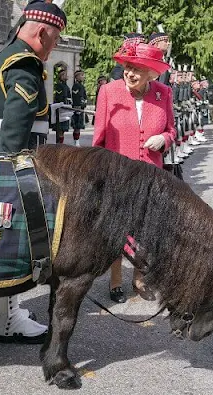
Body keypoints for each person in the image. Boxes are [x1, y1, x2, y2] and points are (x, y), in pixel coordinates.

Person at [0, 0, 67, 342]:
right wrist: (21, 174)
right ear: (41, 32)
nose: (53, 48)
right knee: (13, 241)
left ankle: (6, 316)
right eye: (54, 40)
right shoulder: (26, 63)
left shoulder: (6, 53)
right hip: (8, 157)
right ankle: (8, 321)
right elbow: (15, 127)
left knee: (1, 237)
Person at [93, 43, 176, 303]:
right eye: (127, 67)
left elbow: (172, 130)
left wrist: (163, 139)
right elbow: (98, 139)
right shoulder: (108, 92)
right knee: (117, 229)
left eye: (137, 70)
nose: (129, 74)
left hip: (151, 176)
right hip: (117, 175)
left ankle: (139, 278)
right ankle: (116, 280)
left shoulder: (164, 93)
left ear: (151, 73)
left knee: (145, 229)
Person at [52, 65, 71, 143]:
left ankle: (61, 144)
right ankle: (59, 144)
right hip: (60, 108)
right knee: (60, 128)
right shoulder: (59, 86)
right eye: (64, 75)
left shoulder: (66, 86)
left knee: (63, 129)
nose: (66, 76)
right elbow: (59, 97)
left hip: (65, 107)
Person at [70, 69, 87, 146]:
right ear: (77, 77)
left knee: (79, 126)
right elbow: (76, 97)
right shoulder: (76, 86)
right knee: (77, 125)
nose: (83, 77)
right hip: (77, 108)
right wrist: (77, 107)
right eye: (81, 75)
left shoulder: (81, 86)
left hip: (81, 107)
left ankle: (77, 141)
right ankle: (76, 141)